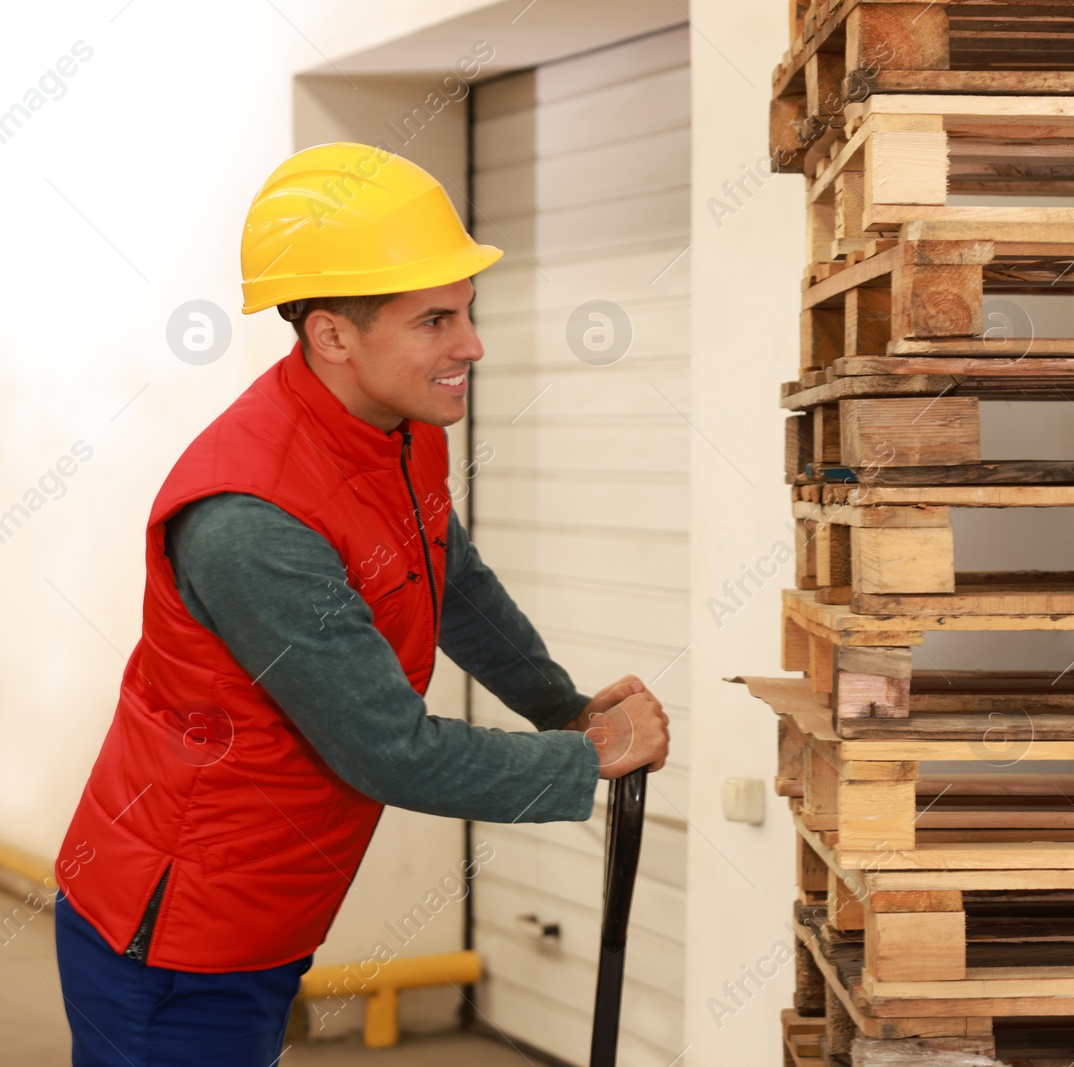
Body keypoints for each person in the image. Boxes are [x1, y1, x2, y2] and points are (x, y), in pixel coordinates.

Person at [51, 142, 671, 1066]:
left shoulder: (397, 430)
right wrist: (581, 761)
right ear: (332, 334)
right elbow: (390, 750)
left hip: (271, 906)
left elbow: (452, 585)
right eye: (435, 321)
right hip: (180, 938)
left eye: (467, 312)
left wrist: (564, 706)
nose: (472, 345)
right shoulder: (250, 520)